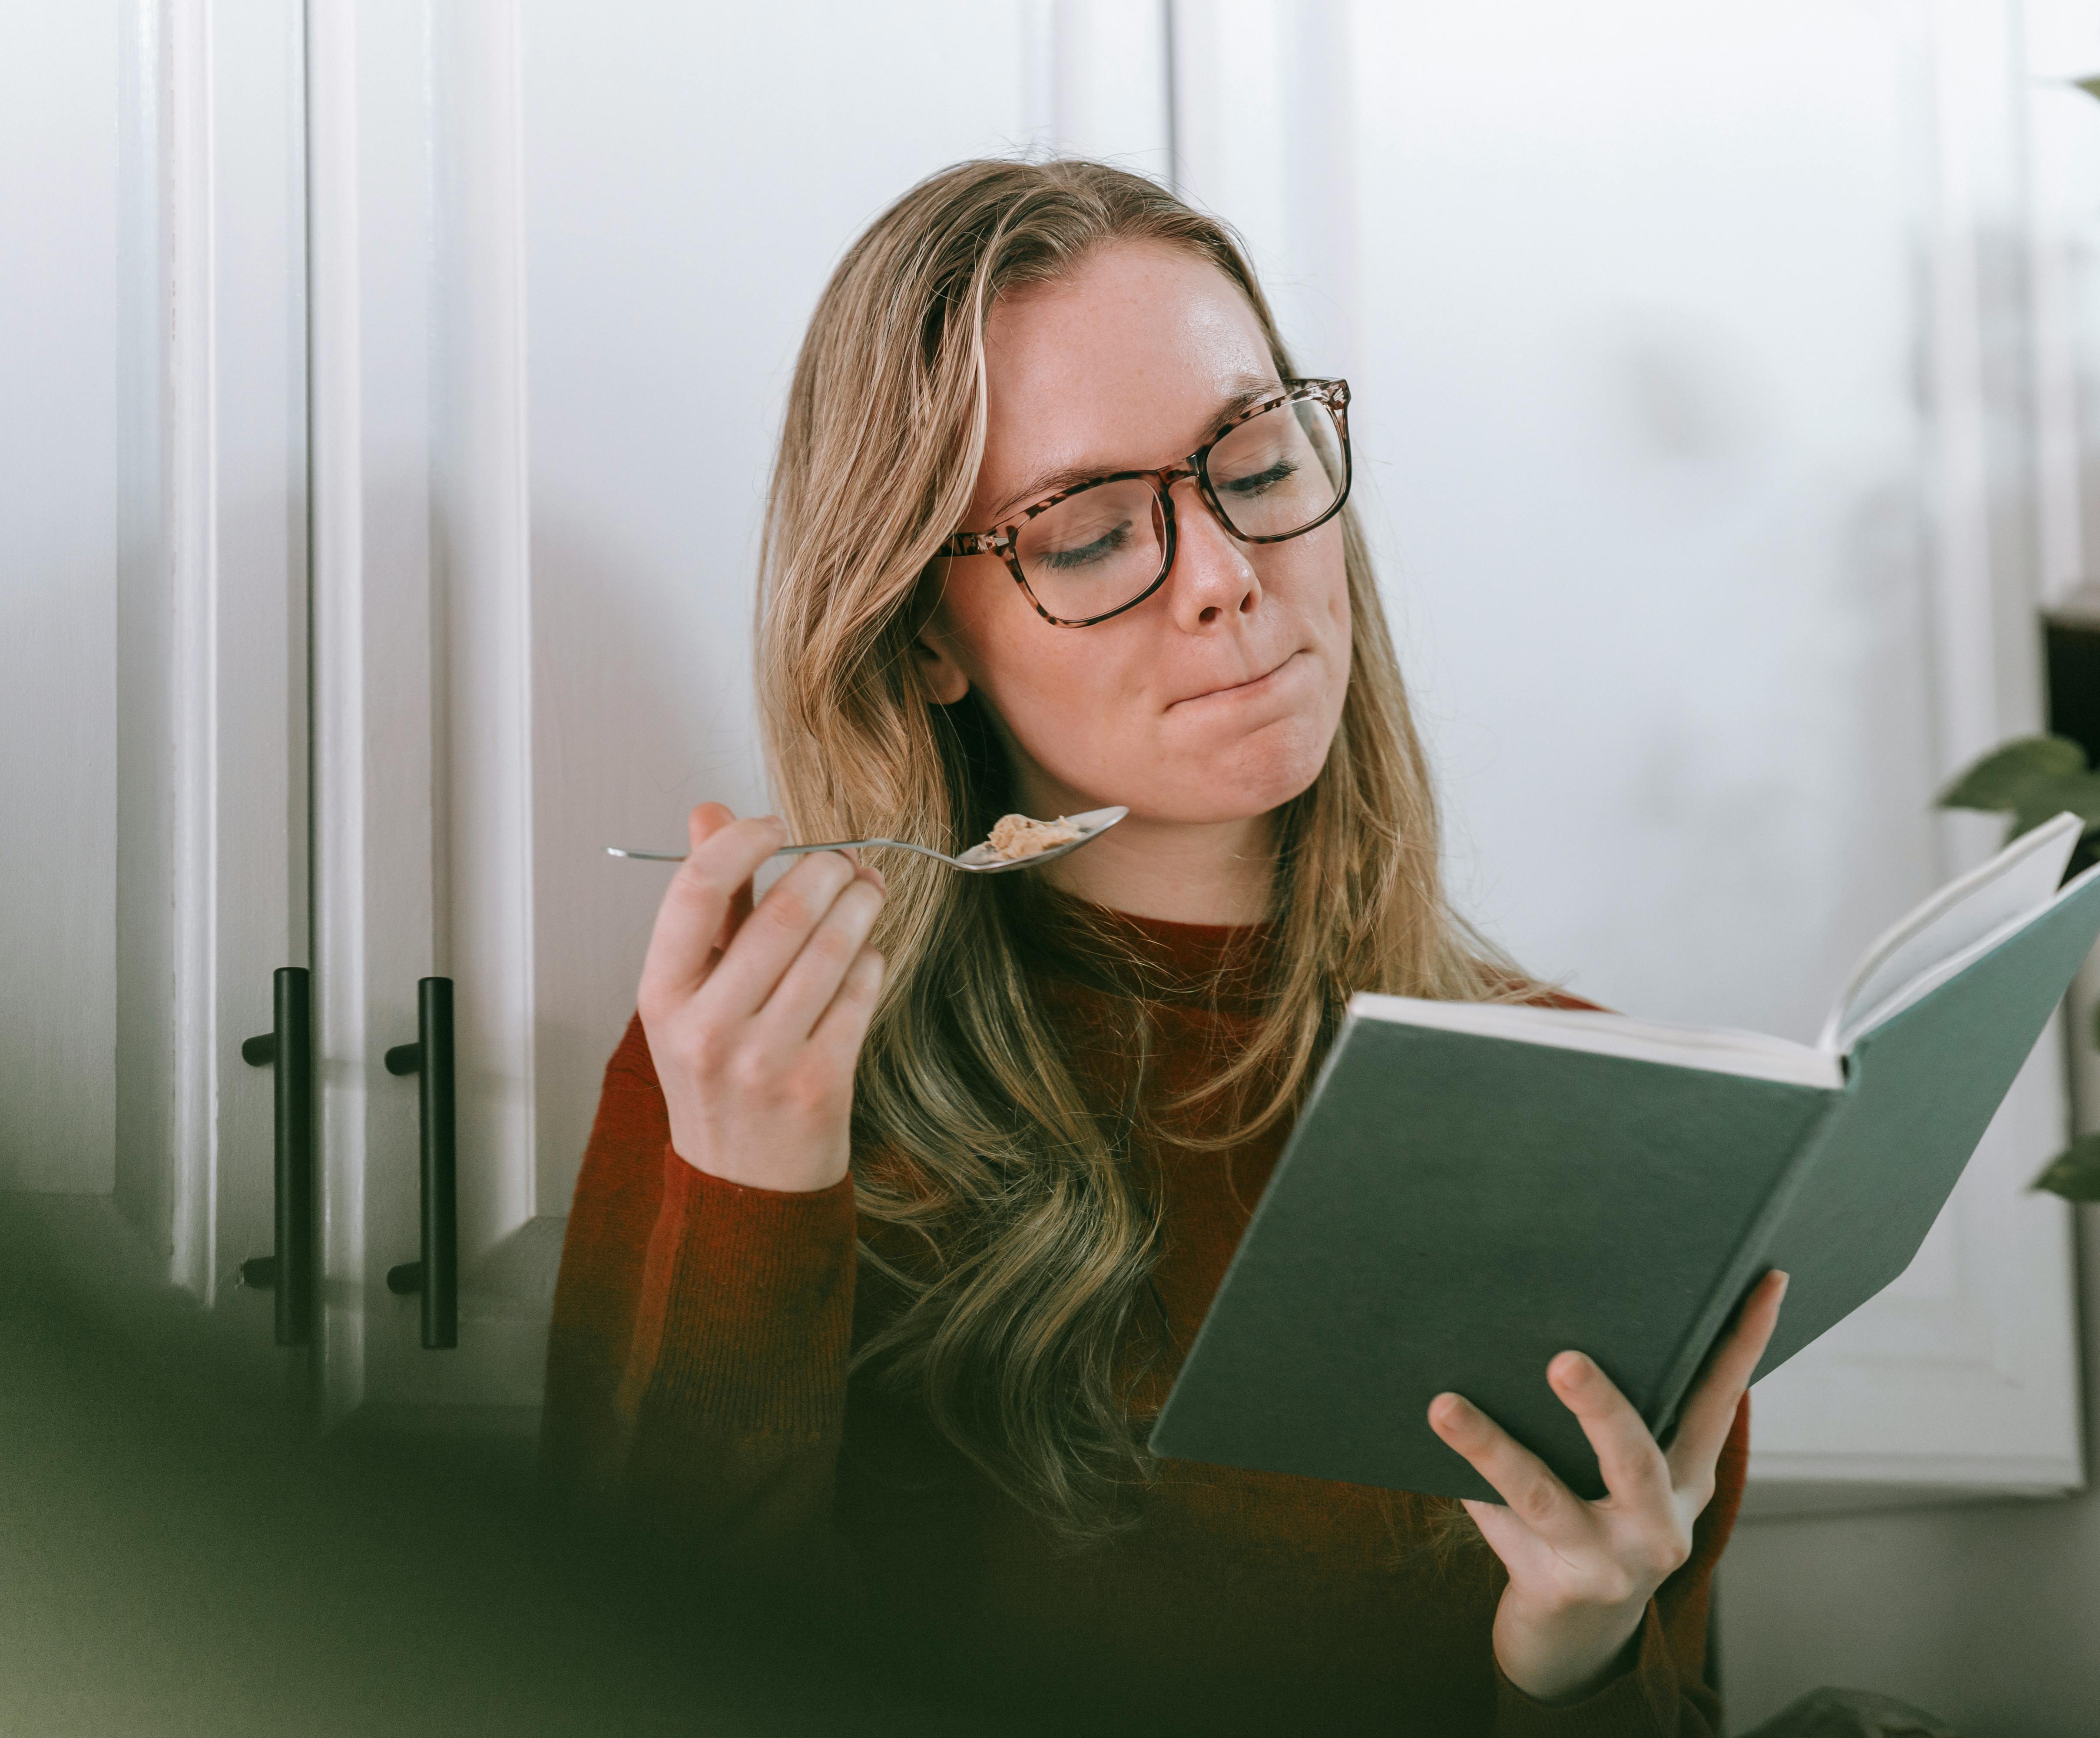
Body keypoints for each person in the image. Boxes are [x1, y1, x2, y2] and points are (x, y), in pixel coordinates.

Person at [539, 156, 1787, 1738]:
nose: (1225, 579)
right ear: (922, 635)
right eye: (1088, 535)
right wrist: (747, 1198)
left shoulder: (1595, 1106)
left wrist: (1578, 1663)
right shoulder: (759, 1071)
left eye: (1256, 463)